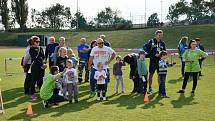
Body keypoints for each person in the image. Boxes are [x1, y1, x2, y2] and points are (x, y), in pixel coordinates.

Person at [29, 36, 47, 100]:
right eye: (37, 41)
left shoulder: (40, 48)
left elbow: (43, 56)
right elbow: (34, 59)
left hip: (42, 66)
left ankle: (41, 92)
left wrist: (44, 63)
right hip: (35, 66)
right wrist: (42, 64)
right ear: (33, 42)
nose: (38, 43)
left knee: (41, 79)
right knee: (34, 80)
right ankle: (32, 94)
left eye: (39, 41)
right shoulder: (31, 49)